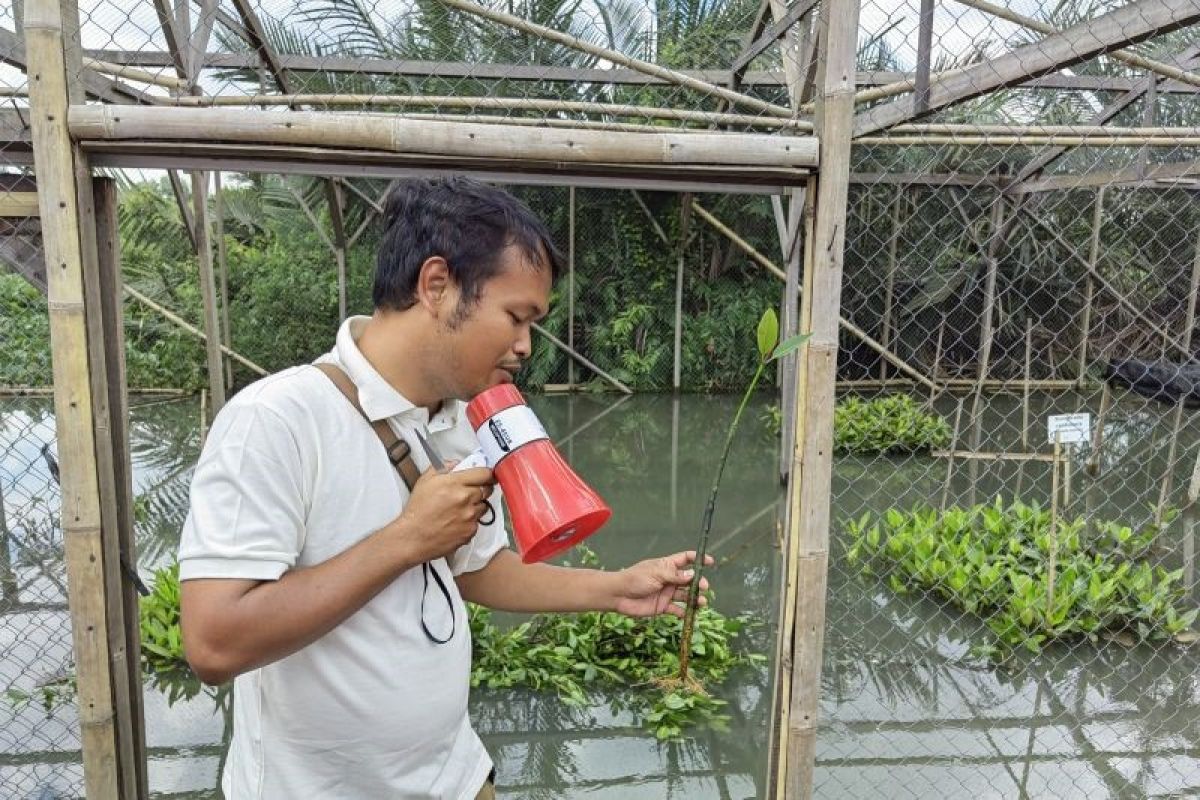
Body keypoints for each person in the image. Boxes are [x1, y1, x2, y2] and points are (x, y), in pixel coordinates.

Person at [178, 176, 712, 799]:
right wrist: (406, 539)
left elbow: (477, 569)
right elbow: (213, 642)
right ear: (436, 285)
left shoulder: (461, 420)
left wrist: (616, 589)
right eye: (516, 317)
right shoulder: (278, 420)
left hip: (456, 777)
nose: (524, 346)